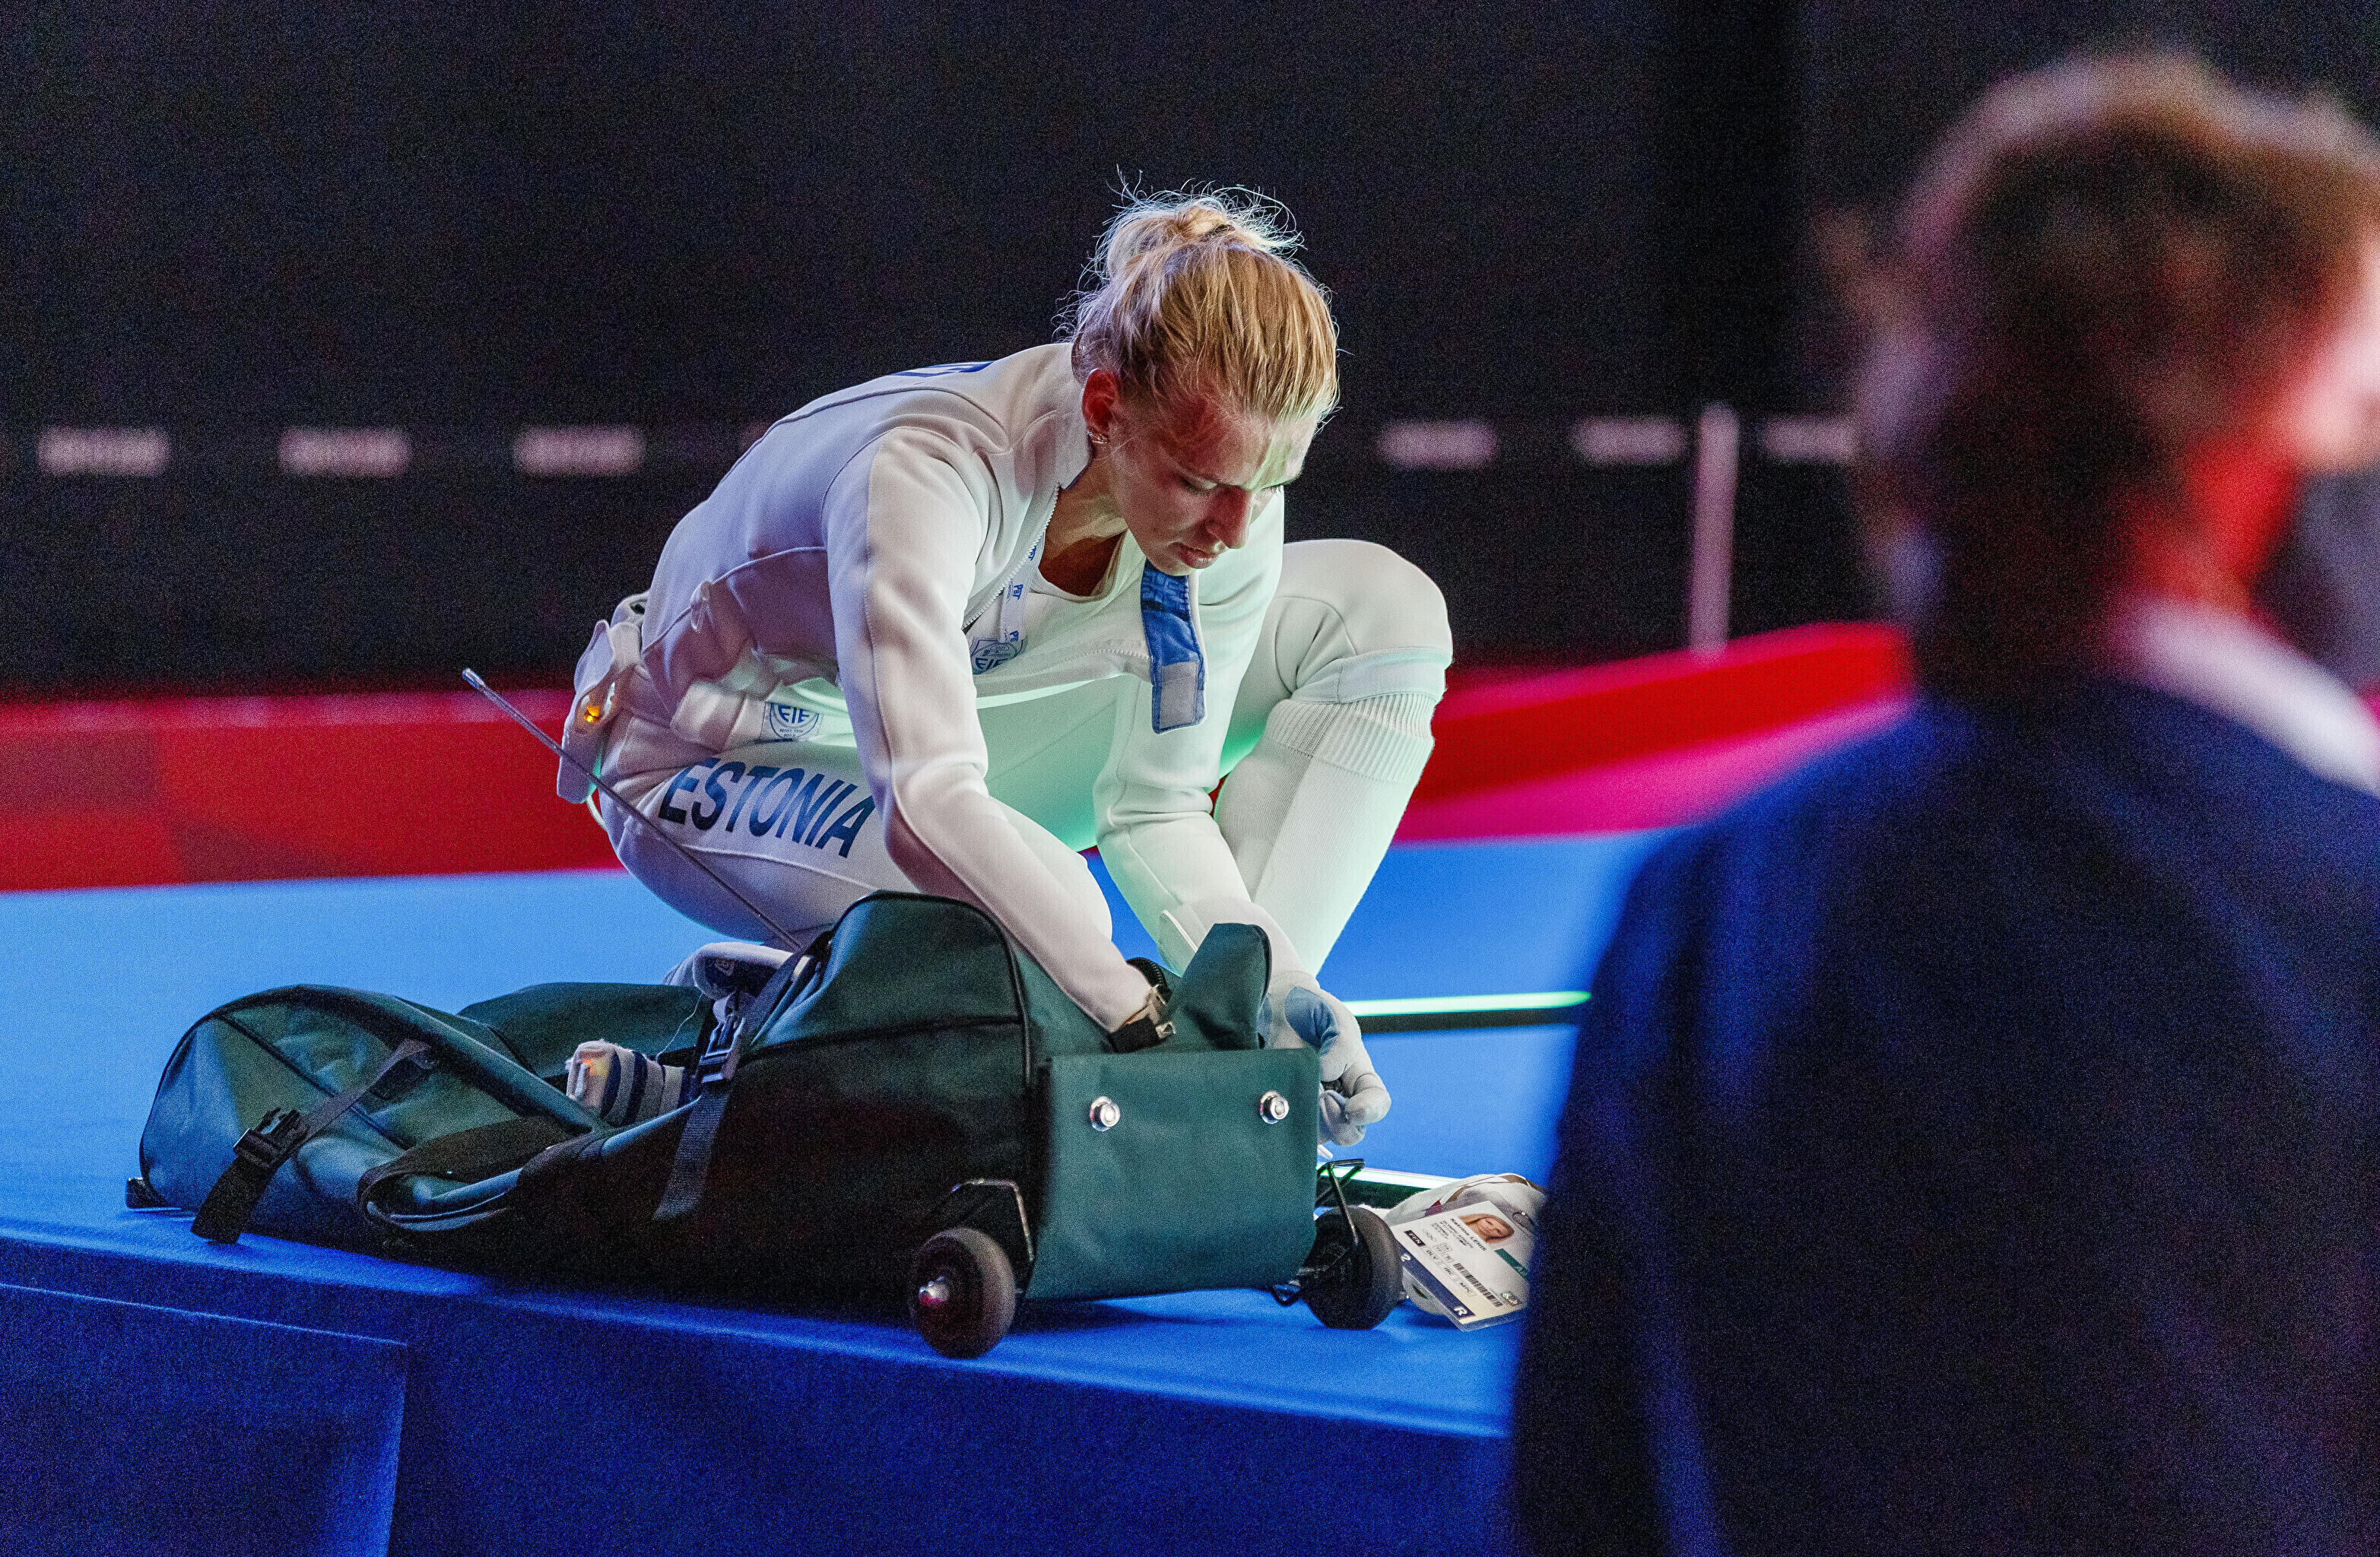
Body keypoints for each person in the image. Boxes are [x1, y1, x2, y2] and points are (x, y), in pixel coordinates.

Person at [1512, 55, 2380, 1555]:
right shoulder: (2341, 913)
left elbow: (1580, 1500)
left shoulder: (1708, 911)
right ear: (2246, 465)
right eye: (2363, 411)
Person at [559, 191, 1451, 1144]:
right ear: (1104, 408)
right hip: (700, 759)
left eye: (1267, 486)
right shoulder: (927, 471)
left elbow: (1155, 806)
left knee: (1382, 614)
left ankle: (1231, 1078)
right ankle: (754, 1038)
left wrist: (1272, 989)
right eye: (1200, 484)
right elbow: (928, 802)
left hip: (934, 727)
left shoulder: (1227, 496)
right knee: (1051, 913)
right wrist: (1129, 1018)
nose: (1234, 530)